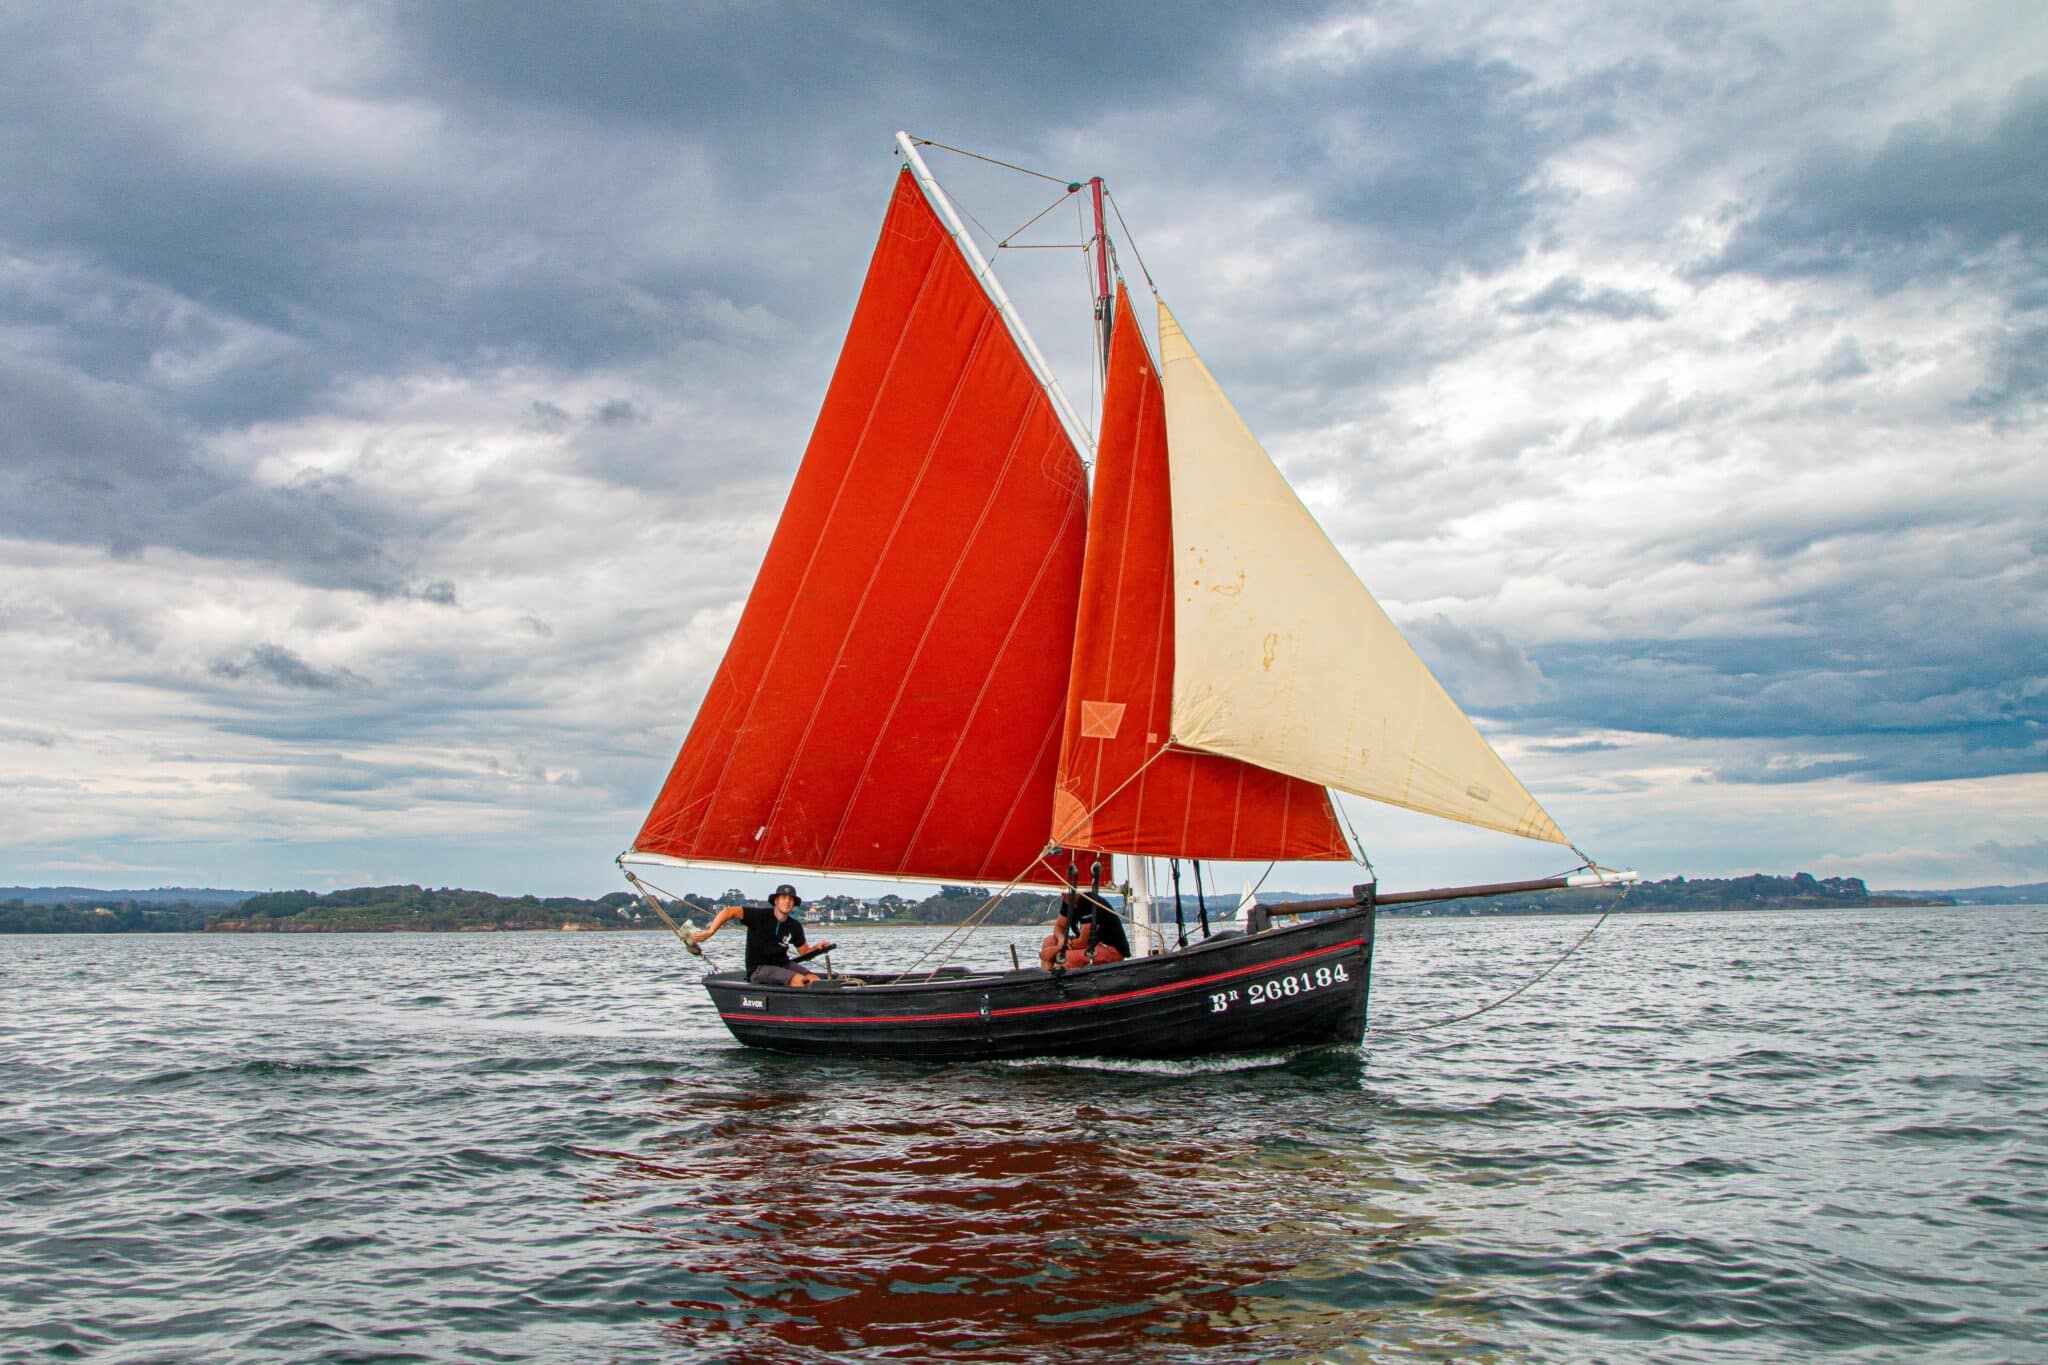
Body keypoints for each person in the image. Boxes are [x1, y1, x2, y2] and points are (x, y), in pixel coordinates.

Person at [690, 883, 834, 987]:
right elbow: (729, 912)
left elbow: (804, 952)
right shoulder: (759, 916)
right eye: (783, 897)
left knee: (813, 979)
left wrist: (817, 948)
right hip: (759, 969)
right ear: (776, 901)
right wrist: (710, 932)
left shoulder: (794, 926)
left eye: (791, 899)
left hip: (782, 964)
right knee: (799, 980)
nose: (787, 901)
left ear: (793, 903)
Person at [1038, 889, 1131, 970]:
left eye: (1068, 892)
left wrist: (1057, 948)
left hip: (1110, 949)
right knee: (1049, 941)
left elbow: (1083, 942)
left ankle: (1060, 977)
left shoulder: (1089, 902)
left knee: (1067, 958)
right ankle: (1047, 976)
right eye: (1063, 892)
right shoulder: (1068, 901)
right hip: (1091, 945)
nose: (1064, 895)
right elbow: (1059, 926)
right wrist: (1061, 939)